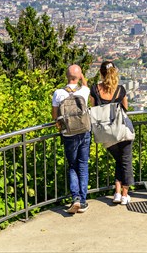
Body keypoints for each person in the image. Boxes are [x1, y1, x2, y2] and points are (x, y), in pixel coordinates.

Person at [89, 61, 133, 205]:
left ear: (101, 73)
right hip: (122, 131)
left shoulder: (95, 89)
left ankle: (117, 192)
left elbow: (93, 109)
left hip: (106, 135)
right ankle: (124, 194)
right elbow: (125, 108)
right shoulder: (120, 90)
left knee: (119, 161)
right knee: (126, 161)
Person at [52, 64, 91, 214]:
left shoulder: (58, 93)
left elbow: (55, 116)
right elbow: (86, 87)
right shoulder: (84, 91)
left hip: (68, 134)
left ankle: (75, 198)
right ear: (79, 76)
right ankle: (82, 200)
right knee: (83, 165)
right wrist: (83, 78)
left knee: (72, 165)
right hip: (84, 131)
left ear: (66, 76)